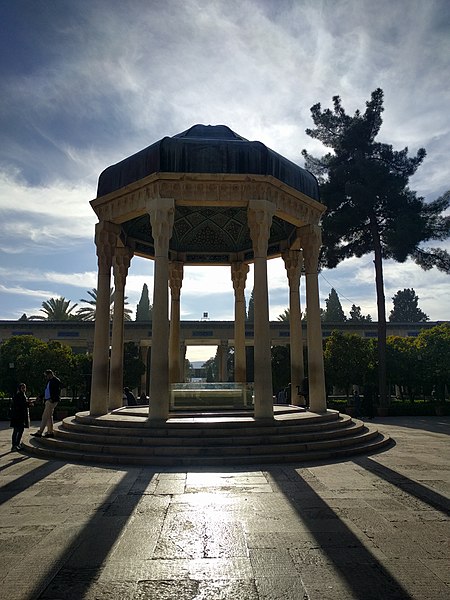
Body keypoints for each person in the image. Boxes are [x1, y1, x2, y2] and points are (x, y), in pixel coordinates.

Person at [31, 369, 61, 438]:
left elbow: (57, 391)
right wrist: (40, 397)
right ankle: (49, 432)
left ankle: (41, 432)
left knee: (45, 416)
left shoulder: (56, 380)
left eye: (46, 375)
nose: (46, 377)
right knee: (48, 417)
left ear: (50, 374)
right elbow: (46, 391)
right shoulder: (49, 381)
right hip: (48, 400)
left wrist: (52, 399)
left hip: (51, 401)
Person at [10, 383, 32, 451]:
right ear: (20, 388)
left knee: (20, 430)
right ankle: (14, 445)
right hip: (17, 416)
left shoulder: (22, 395)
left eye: (24, 388)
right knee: (16, 431)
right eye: (22, 388)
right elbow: (20, 405)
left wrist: (28, 404)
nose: (24, 389)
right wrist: (28, 403)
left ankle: (17, 444)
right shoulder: (18, 395)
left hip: (20, 416)